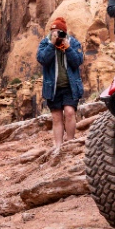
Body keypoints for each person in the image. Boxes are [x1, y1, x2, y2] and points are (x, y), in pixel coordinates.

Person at [37, 16, 85, 149]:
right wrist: (52, 45)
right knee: (56, 117)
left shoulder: (73, 42)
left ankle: (70, 143)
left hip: (70, 86)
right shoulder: (45, 43)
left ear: (64, 32)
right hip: (53, 88)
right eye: (53, 31)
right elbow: (42, 59)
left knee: (69, 112)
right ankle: (58, 147)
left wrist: (68, 48)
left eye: (59, 32)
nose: (56, 34)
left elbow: (78, 61)